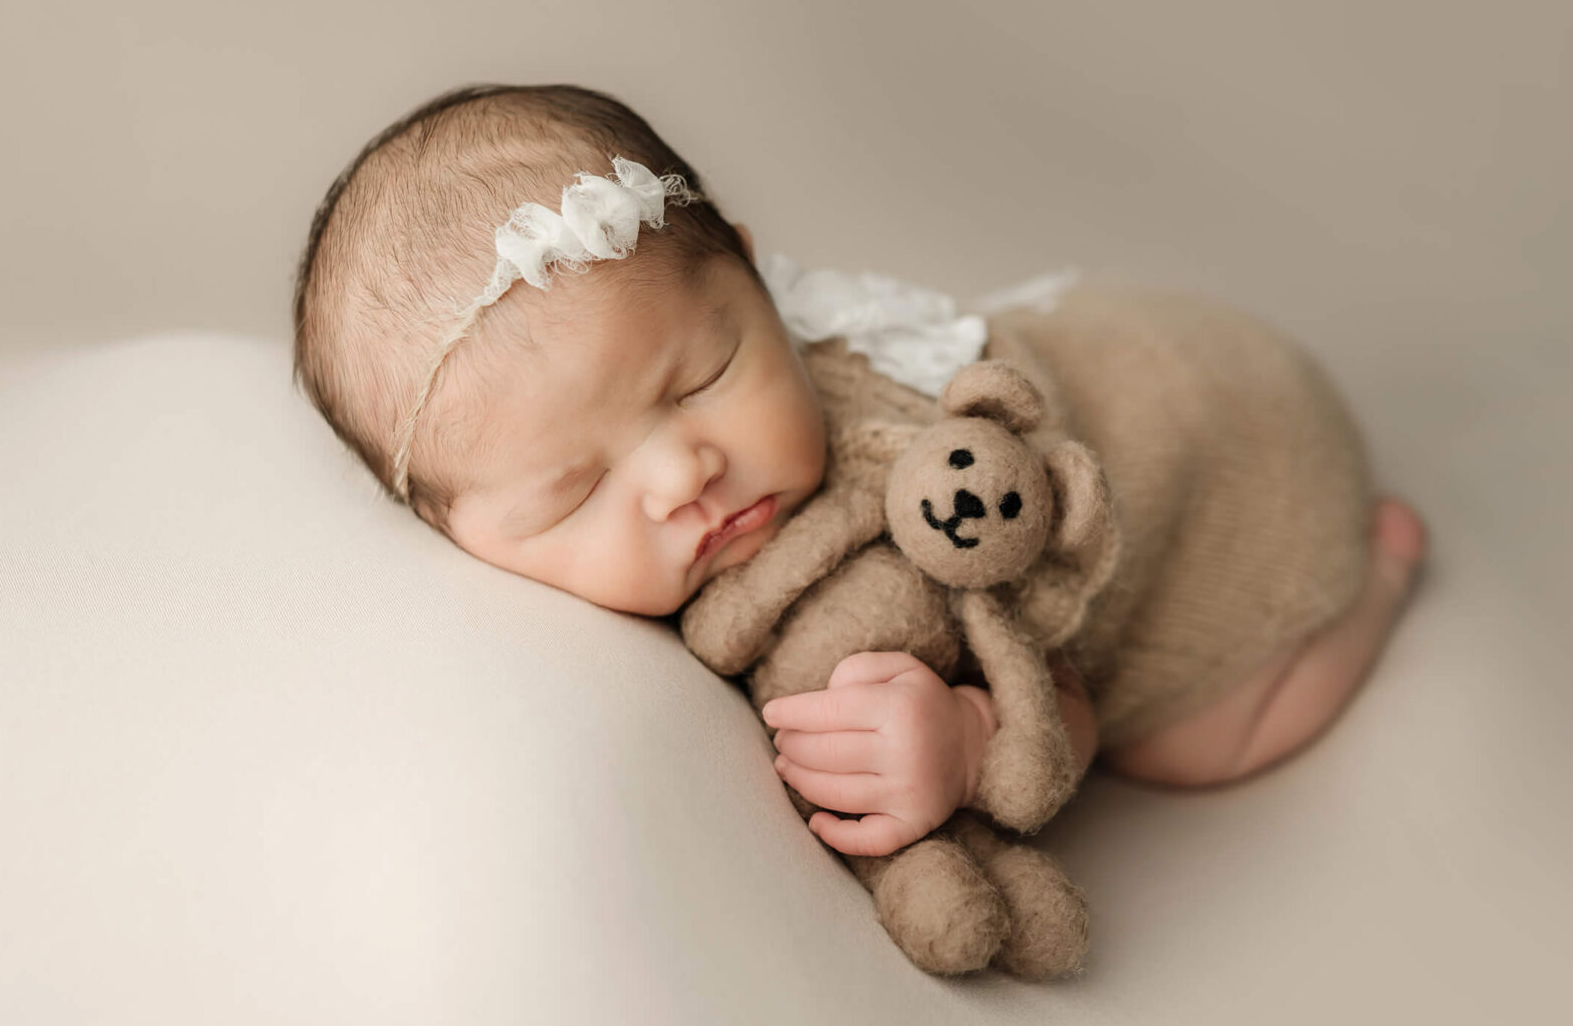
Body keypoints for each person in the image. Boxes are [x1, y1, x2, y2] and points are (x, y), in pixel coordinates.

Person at [292, 83, 1429, 859]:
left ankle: (1369, 585)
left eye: (702, 378)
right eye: (574, 491)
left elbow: (1062, 699)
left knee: (1188, 744)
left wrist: (975, 741)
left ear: (750, 271)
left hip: (1227, 445)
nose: (685, 471)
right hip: (1143, 335)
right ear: (449, 529)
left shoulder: (909, 493)